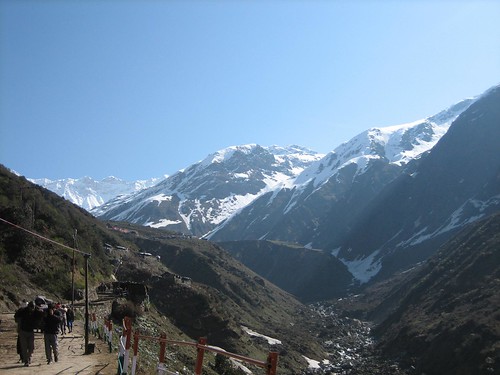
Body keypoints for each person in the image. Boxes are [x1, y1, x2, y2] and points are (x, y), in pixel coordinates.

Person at [14, 301, 44, 366]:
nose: (32, 309)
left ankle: (28, 357)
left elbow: (42, 315)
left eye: (33, 308)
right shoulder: (23, 311)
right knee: (24, 347)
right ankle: (26, 360)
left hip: (31, 331)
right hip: (23, 330)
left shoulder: (36, 311)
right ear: (28, 307)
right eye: (31, 308)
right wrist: (19, 324)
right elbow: (16, 316)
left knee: (31, 347)